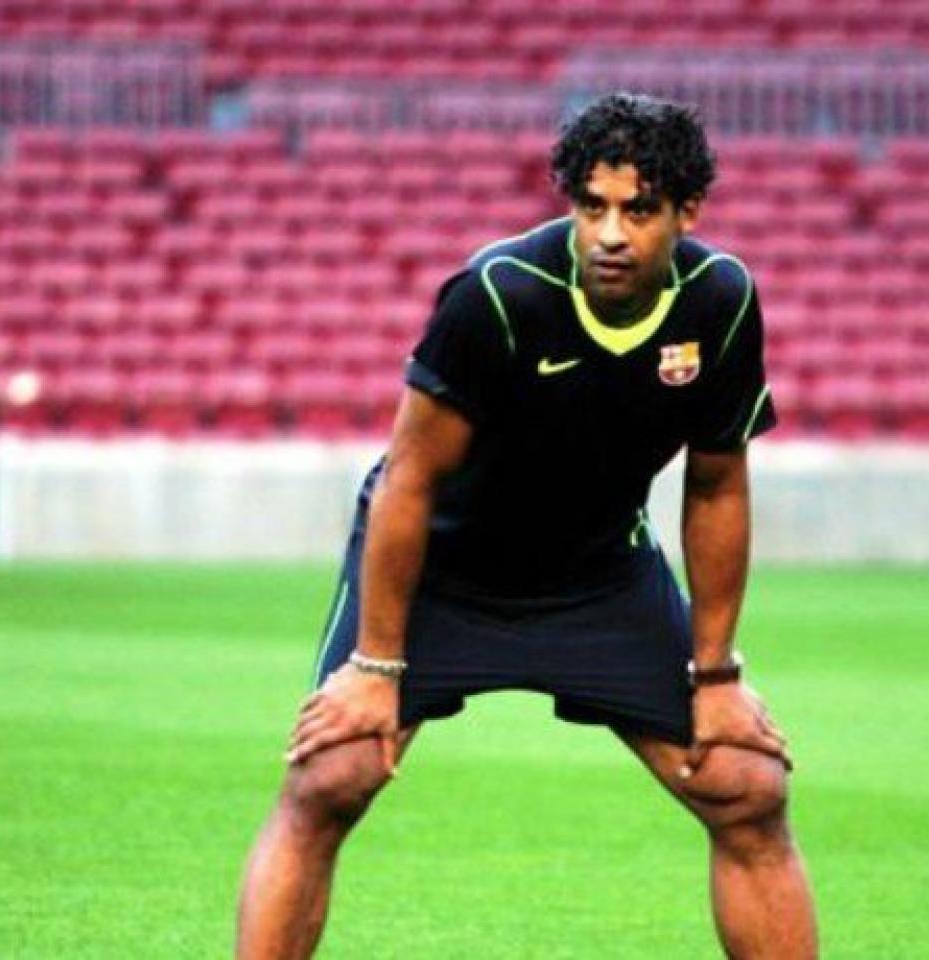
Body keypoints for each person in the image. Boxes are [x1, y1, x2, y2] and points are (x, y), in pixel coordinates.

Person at [236, 92, 818, 959]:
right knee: (333, 775)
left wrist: (717, 673)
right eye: (592, 206)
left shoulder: (721, 302)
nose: (610, 233)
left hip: (596, 575)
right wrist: (375, 667)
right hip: (444, 569)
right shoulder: (500, 295)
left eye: (638, 209)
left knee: (747, 785)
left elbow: (717, 487)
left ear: (687, 213)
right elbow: (407, 483)